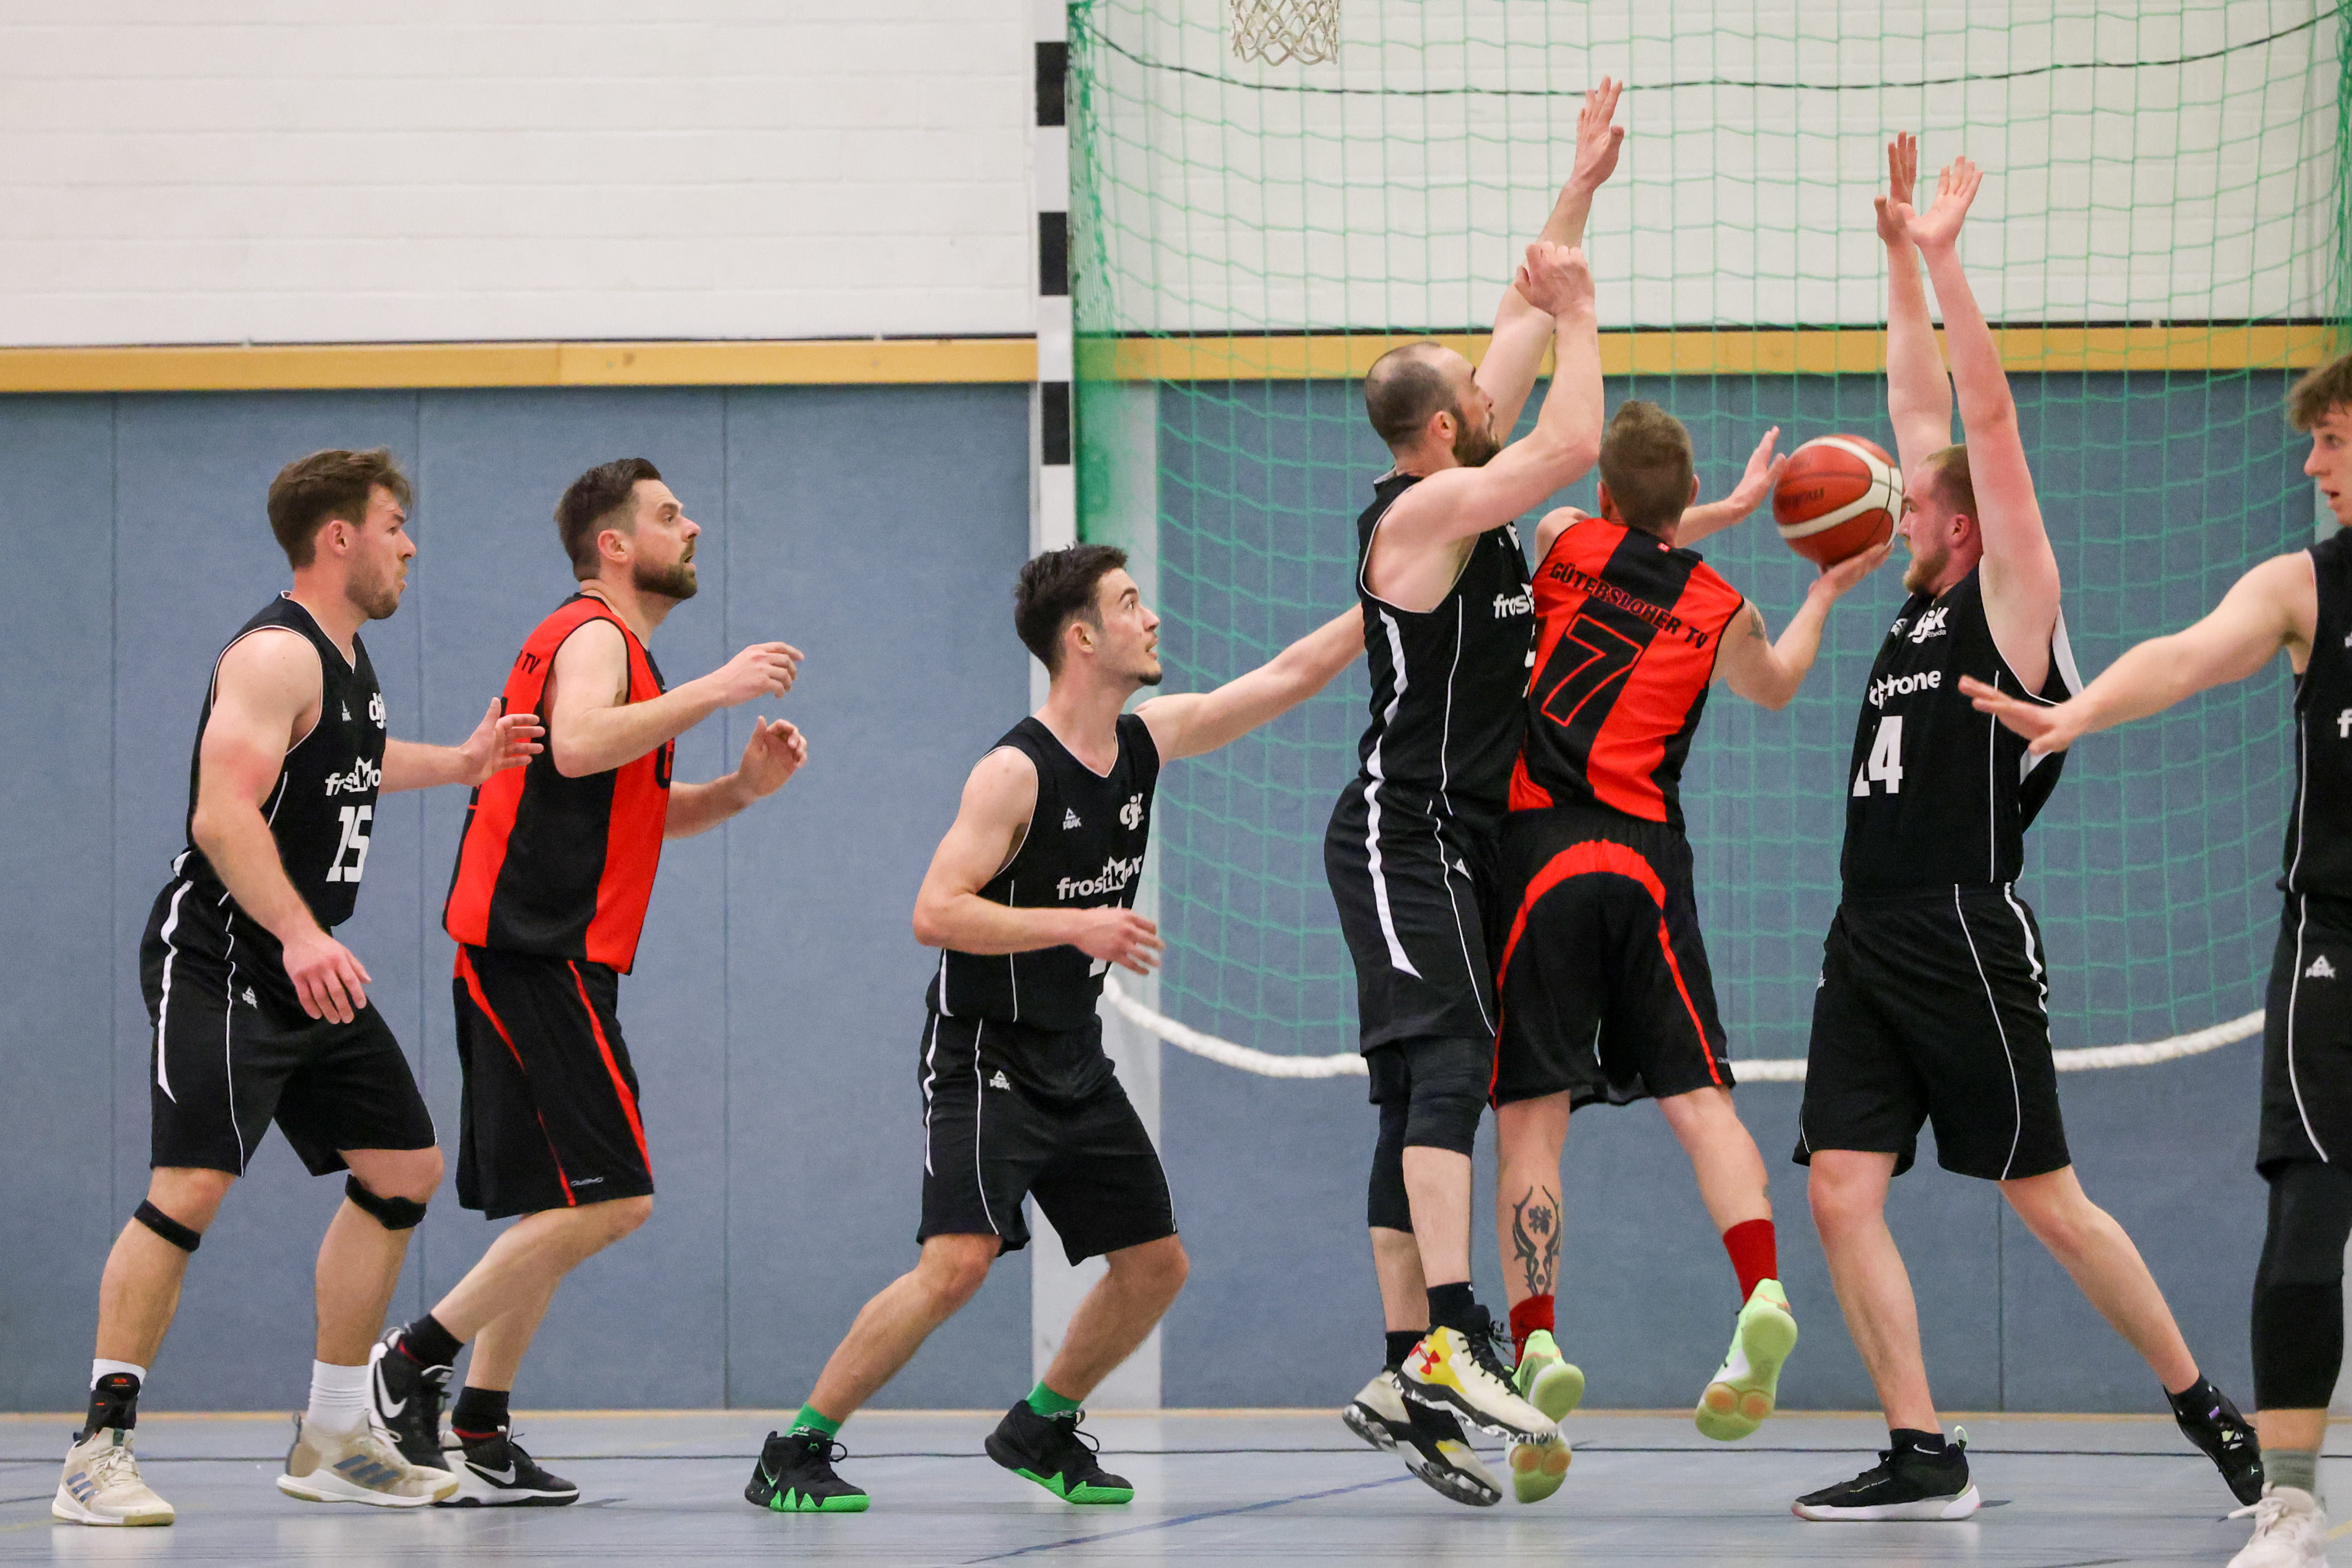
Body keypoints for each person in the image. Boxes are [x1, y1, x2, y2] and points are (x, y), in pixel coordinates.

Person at [1789, 141, 2259, 1522]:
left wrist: (1947, 266)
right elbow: (1917, 399)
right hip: (1865, 928)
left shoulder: (2013, 595)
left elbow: (1978, 423)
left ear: (1962, 523)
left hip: (1960, 920)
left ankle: (2204, 1407)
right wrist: (1893, 257)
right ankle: (1923, 1449)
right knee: (1841, 1191)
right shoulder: (1915, 601)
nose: (1898, 494)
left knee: (2045, 1198)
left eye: (1921, 496)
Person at [741, 543, 1363, 1514]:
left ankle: (1041, 1425)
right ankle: (794, 1449)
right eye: (1129, 603)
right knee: (957, 1265)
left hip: (1075, 1053)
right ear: (1080, 637)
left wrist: (1385, 597)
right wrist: (1072, 925)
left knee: (1154, 1266)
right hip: (984, 1051)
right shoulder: (1012, 772)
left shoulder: (1147, 740)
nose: (1151, 618)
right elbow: (935, 912)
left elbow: (1285, 677)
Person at [53, 449, 543, 1526]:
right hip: (226, 951)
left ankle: (332, 1437)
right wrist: (298, 933)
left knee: (403, 1168)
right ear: (339, 536)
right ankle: (99, 1451)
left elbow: (351, 763)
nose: (409, 545)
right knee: (189, 1186)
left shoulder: (347, 659)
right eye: (394, 525)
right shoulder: (276, 653)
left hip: (301, 957)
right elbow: (221, 813)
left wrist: (462, 763)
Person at [1964, 348, 2352, 1567]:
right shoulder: (2306, 586)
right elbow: (2187, 652)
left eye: (2334, 439)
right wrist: (2080, 710)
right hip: (2336, 939)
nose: (2313, 464)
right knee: (2310, 1205)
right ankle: (2292, 1505)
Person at [367, 458, 808, 1505]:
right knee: (617, 1198)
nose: (691, 528)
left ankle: (480, 1425)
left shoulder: (621, 658)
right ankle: (408, 1360)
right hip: (533, 954)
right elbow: (574, 748)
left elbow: (630, 809)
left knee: (555, 1205)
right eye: (668, 515)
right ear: (614, 545)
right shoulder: (597, 636)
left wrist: (740, 790)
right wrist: (718, 688)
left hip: (550, 956)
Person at [1484, 400, 1886, 1502]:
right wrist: (1821, 590)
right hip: (1647, 861)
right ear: (1686, 499)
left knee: (1532, 1123)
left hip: (1541, 855)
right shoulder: (1721, 606)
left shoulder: (1562, 538)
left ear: (1604, 492)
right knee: (1701, 1099)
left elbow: (1628, 532)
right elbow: (1778, 683)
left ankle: (1536, 1346)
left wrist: (1716, 511)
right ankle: (1760, 1292)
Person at [1323, 80, 1617, 1509]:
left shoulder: (1458, 463)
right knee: (1450, 1068)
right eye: (1479, 392)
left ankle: (1409, 1379)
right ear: (1444, 427)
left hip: (1458, 835)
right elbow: (1572, 443)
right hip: (1404, 828)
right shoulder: (1430, 510)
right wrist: (1589, 317)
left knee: (1416, 1100)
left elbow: (1516, 316)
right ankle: (1449, 1336)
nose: (1499, 389)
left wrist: (1576, 192)